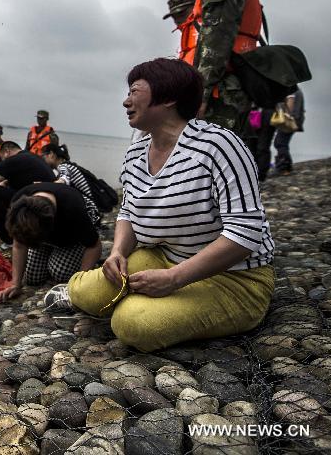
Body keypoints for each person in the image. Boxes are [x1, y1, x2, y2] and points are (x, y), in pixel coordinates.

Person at [44, 58, 274, 352]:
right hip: (165, 257)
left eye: (134, 91)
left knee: (133, 324)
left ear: (168, 98)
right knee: (89, 292)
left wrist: (174, 279)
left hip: (235, 278)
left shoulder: (219, 146)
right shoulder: (136, 153)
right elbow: (128, 211)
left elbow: (245, 232)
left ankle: (128, 306)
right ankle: (96, 297)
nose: (126, 101)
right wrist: (117, 252)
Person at [177, 0, 265, 137]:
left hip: (220, 92)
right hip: (224, 87)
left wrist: (200, 95)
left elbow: (215, 46)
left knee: (206, 158)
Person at [0, 182, 102, 302]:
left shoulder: (72, 207)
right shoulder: (20, 204)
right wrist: (15, 284)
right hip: (42, 232)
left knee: (60, 272)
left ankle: (62, 257)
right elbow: (19, 245)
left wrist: (79, 279)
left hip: (74, 237)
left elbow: (94, 245)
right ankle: (50, 252)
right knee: (33, 278)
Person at [41, 143, 101, 227]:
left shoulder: (63, 167)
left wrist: (43, 185)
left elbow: (63, 180)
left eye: (43, 156)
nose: (42, 160)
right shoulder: (68, 165)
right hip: (92, 213)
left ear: (51, 154)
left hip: (88, 215)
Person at [273, 88, 305, 175]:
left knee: (280, 143)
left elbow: (290, 101)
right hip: (294, 120)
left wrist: (286, 116)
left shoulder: (291, 89)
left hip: (289, 121)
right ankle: (285, 166)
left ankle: (284, 167)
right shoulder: (297, 90)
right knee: (279, 142)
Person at [163, 0, 198, 64]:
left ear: (197, 7)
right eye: (174, 17)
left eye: (181, 14)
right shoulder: (182, 43)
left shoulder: (211, 29)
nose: (177, 20)